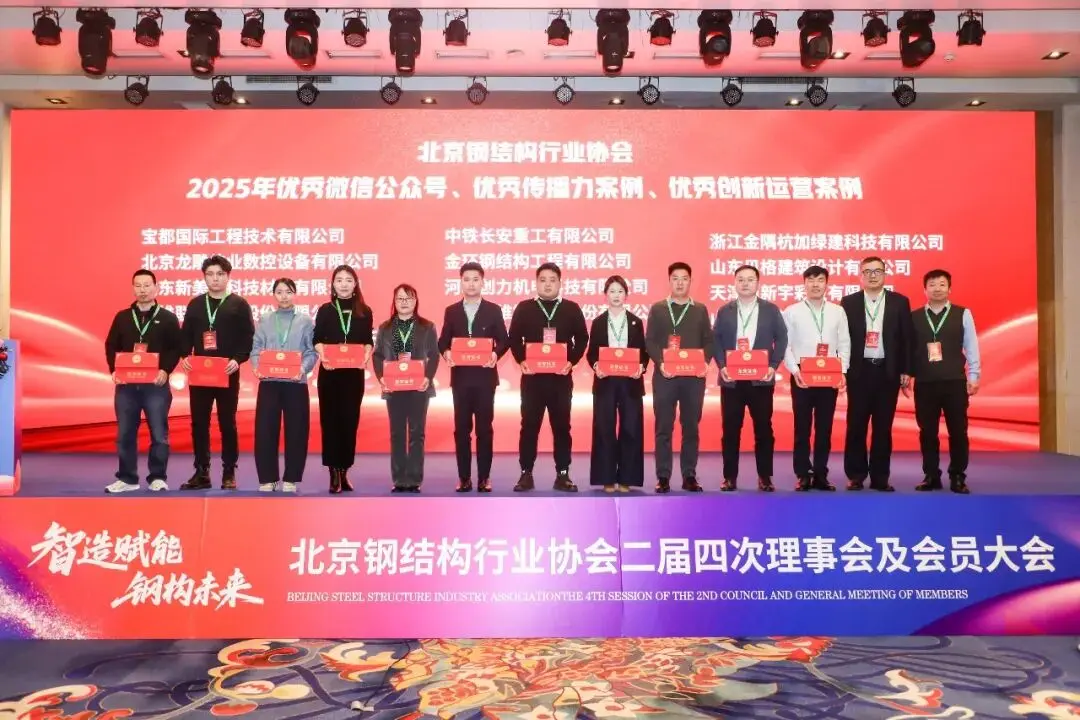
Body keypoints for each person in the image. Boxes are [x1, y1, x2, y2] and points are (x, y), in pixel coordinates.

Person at [508, 263, 589, 493]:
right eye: (543, 280)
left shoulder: (571, 308)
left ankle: (563, 474)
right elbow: (514, 337)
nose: (547, 284)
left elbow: (582, 338)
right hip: (532, 379)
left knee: (562, 427)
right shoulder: (524, 308)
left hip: (560, 379)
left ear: (560, 283)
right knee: (529, 426)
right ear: (536, 283)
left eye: (552, 280)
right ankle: (526, 473)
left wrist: (571, 361)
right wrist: (521, 360)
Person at [103, 269, 183, 494]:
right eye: (138, 285)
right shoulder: (122, 317)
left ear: (156, 288)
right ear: (133, 288)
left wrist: (165, 370)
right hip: (127, 386)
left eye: (147, 285)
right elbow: (111, 345)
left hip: (155, 386)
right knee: (125, 434)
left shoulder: (167, 318)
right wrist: (114, 370)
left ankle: (157, 477)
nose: (143, 290)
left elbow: (175, 347)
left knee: (159, 434)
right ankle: (127, 478)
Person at [179, 255, 255, 491]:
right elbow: (186, 335)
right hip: (200, 373)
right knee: (199, 423)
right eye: (210, 274)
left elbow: (248, 337)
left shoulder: (239, 305)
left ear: (228, 276)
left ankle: (229, 471)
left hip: (227, 372)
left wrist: (237, 360)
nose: (215, 279)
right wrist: (184, 357)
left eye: (220, 274)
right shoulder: (195, 304)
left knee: (227, 423)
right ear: (204, 277)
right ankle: (202, 472)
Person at [841, 256, 915, 492]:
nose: (872, 276)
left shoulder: (899, 302)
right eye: (868, 271)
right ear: (860, 275)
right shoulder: (849, 302)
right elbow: (843, 339)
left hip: (887, 372)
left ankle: (880, 477)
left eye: (877, 271)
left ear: (885, 274)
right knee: (856, 425)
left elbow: (907, 339)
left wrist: (906, 370)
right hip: (859, 371)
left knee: (883, 427)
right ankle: (855, 475)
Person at [714, 264, 788, 492]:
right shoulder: (724, 310)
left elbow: (782, 338)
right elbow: (716, 340)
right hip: (732, 380)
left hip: (761, 380)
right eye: (741, 279)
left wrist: (773, 366)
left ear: (758, 283)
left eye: (750, 279)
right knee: (730, 430)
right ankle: (729, 477)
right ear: (735, 283)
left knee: (764, 429)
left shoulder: (771, 310)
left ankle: (765, 477)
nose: (745, 284)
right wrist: (722, 366)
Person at [438, 262, 510, 493]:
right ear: (460, 282)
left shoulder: (493, 310)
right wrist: (447, 353)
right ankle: (464, 478)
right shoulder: (451, 311)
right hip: (461, 379)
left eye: (475, 279)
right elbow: (443, 341)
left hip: (485, 379)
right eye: (466, 279)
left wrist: (495, 354)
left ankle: (484, 478)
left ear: (482, 282)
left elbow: (504, 340)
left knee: (484, 429)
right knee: (461, 429)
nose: (471, 284)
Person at [645, 262, 713, 493]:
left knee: (690, 427)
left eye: (684, 278)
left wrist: (705, 363)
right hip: (665, 376)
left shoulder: (700, 309)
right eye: (675, 278)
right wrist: (660, 363)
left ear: (690, 281)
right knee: (663, 427)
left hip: (693, 379)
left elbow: (709, 341)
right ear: (669, 281)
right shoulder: (658, 309)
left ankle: (689, 475)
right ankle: (663, 476)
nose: (680, 283)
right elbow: (650, 341)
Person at [911, 269, 980, 494]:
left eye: (942, 284)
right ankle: (931, 475)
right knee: (927, 432)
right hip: (925, 382)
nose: (937, 289)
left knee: (958, 431)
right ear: (925, 290)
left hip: (954, 382)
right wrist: (906, 373)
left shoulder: (963, 314)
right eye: (932, 285)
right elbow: (909, 350)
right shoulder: (914, 316)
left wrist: (974, 375)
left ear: (949, 289)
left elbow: (971, 346)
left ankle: (958, 476)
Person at [782, 266, 851, 492]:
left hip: (829, 373)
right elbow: (785, 345)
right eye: (810, 280)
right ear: (804, 284)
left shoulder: (837, 312)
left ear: (826, 284)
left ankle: (821, 474)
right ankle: (803, 474)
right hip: (802, 374)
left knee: (824, 428)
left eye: (820, 280)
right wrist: (795, 371)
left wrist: (842, 371)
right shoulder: (792, 312)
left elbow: (844, 343)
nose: (815, 284)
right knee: (802, 427)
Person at [250, 278, 318, 493]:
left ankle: (291, 478)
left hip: (295, 382)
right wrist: (256, 367)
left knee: (297, 431)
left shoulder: (305, 321)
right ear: (274, 295)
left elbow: (311, 352)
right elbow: (256, 348)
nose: (284, 296)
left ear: (295, 293)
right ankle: (267, 478)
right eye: (279, 292)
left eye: (288, 291)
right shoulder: (265, 319)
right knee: (265, 431)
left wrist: (303, 369)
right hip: (269, 383)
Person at [372, 284, 440, 493]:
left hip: (418, 387)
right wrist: (382, 378)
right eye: (400, 298)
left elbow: (434, 355)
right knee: (397, 433)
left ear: (415, 301)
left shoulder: (426, 326)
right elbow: (377, 356)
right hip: (394, 388)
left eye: (408, 298)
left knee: (417, 433)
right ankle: (399, 479)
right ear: (394, 302)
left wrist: (428, 377)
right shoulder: (385, 328)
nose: (404, 302)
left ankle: (414, 479)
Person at [313, 265, 374, 494]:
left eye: (348, 280)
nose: (344, 284)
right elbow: (317, 339)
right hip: (330, 373)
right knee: (330, 422)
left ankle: (344, 470)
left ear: (355, 284)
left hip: (353, 375)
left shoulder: (364, 311)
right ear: (333, 284)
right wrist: (323, 355)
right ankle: (333, 472)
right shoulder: (325, 310)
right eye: (339, 280)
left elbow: (368, 340)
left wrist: (365, 356)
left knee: (349, 422)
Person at [586, 275, 648, 492]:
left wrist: (641, 367)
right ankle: (606, 477)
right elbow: (591, 353)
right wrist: (596, 366)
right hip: (606, 381)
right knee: (604, 428)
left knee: (631, 428)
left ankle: (626, 478)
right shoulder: (598, 322)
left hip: (630, 382)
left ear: (626, 295)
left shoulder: (636, 321)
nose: (616, 295)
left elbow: (643, 353)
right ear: (605, 295)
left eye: (620, 291)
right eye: (612, 291)